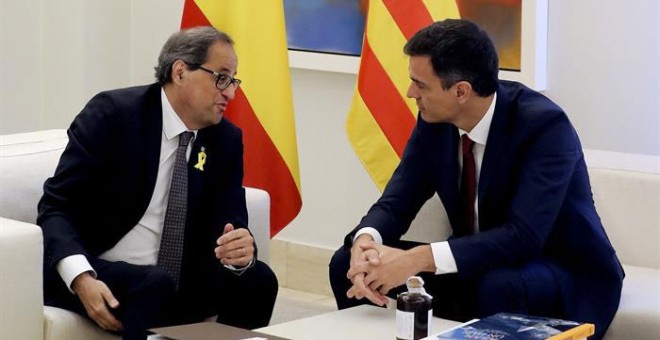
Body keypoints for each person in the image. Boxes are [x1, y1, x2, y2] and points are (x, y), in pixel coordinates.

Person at [329, 19, 624, 339]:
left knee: (499, 285)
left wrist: (417, 259)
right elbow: (399, 198)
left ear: (460, 91)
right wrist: (367, 241)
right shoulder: (435, 120)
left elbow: (523, 237)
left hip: (560, 268)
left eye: (421, 84)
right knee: (346, 262)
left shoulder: (545, 127)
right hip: (479, 262)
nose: (411, 92)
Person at [38, 26, 278, 340]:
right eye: (221, 78)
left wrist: (241, 251)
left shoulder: (225, 139)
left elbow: (231, 226)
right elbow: (56, 207)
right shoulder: (114, 115)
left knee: (259, 280)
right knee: (155, 284)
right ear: (180, 71)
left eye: (233, 80)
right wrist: (81, 278)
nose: (230, 93)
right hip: (99, 270)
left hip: (176, 278)